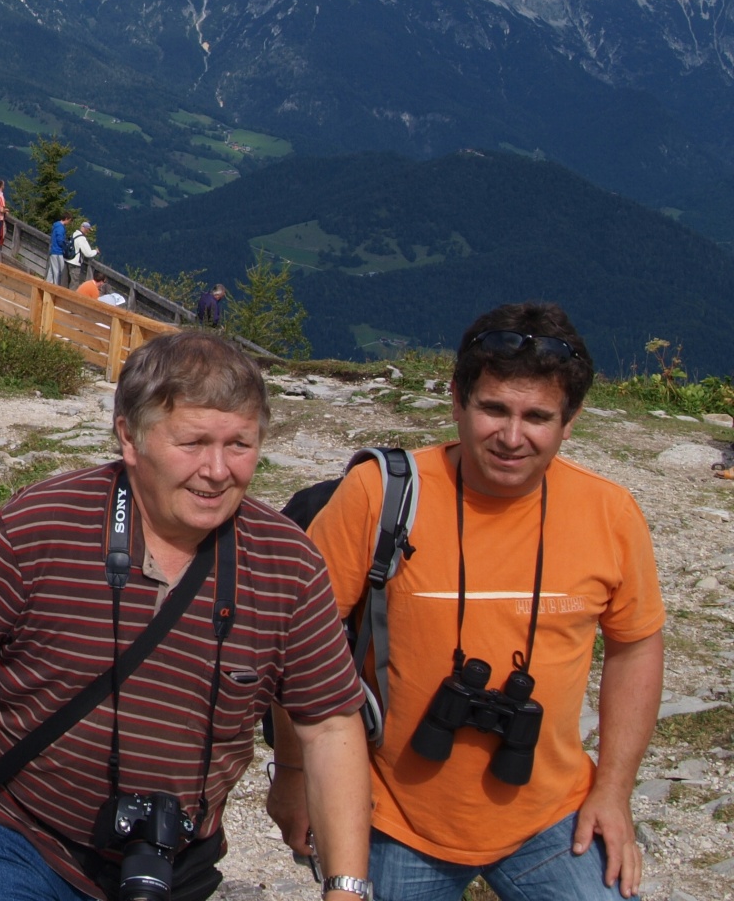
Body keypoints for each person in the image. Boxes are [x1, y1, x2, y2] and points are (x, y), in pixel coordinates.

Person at [0, 330, 372, 901]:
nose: (218, 470)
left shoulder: (288, 564)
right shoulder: (41, 526)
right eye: (193, 443)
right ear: (130, 437)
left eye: (239, 444)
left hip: (173, 859)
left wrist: (345, 888)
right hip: (16, 837)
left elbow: (330, 724)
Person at [266, 304, 663, 901]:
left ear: (570, 421)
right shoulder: (378, 495)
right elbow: (298, 646)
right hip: (392, 813)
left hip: (553, 811)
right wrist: (295, 778)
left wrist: (614, 791)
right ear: (457, 400)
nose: (512, 437)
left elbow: (636, 646)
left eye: (537, 417)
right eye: (494, 409)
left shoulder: (610, 513)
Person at [47, 213, 70, 286]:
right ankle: (55, 286)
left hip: (53, 251)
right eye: (69, 220)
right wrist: (65, 246)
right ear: (66, 219)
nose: (69, 222)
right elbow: (60, 240)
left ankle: (47, 284)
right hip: (57, 252)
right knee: (57, 271)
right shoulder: (60, 228)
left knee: (51, 270)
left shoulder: (56, 226)